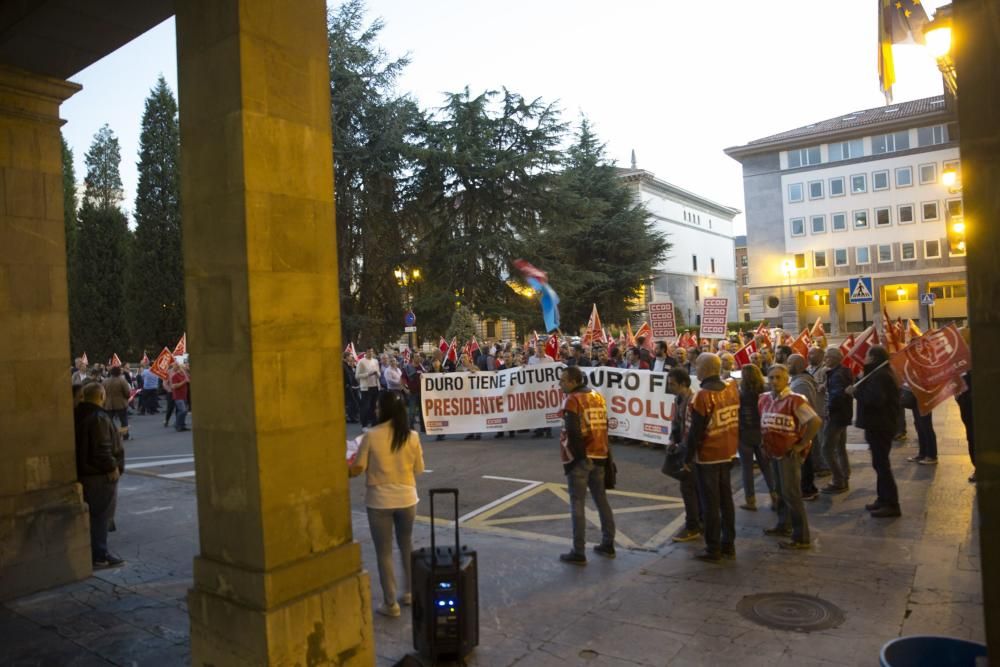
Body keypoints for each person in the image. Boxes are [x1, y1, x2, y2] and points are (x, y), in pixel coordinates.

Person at [349, 391, 425, 617]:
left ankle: (390, 603)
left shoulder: (371, 435)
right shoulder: (412, 436)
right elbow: (419, 469)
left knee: (384, 553)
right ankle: (410, 592)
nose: (375, 410)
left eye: (378, 407)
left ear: (385, 410)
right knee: (406, 545)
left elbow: (358, 468)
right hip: (407, 498)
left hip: (379, 501)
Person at [682, 353, 740, 562]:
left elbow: (695, 432)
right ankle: (728, 545)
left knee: (710, 504)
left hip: (707, 456)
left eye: (697, 366)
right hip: (728, 452)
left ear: (706, 369)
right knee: (726, 501)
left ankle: (713, 548)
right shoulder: (731, 389)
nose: (695, 369)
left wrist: (687, 459)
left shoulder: (702, 396)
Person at [557, 365, 616, 565]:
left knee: (577, 503)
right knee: (601, 501)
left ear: (574, 381)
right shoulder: (597, 396)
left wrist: (580, 458)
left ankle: (578, 551)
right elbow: (605, 426)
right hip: (600, 454)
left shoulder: (572, 400)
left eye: (563, 381)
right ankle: (608, 544)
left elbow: (573, 432)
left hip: (582, 459)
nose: (560, 384)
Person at [759, 363, 822, 550]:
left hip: (789, 454)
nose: (774, 381)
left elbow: (815, 421)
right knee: (780, 491)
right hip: (772, 452)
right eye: (771, 377)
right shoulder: (763, 399)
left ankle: (801, 536)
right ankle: (783, 525)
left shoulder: (795, 400)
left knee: (792, 494)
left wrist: (802, 444)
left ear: (787, 379)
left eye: (779, 377)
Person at [74, 383, 126, 568]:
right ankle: (100, 555)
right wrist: (112, 467)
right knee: (101, 515)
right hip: (99, 475)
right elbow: (102, 448)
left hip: (86, 472)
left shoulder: (80, 413)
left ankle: (96, 552)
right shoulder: (98, 417)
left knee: (96, 515)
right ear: (101, 396)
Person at [849, 345, 902, 518]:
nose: (864, 358)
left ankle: (892, 504)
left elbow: (875, 399)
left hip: (880, 425)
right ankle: (883, 499)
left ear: (873, 358)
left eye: (866, 355)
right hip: (878, 424)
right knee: (879, 464)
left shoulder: (880, 375)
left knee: (882, 464)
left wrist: (855, 392)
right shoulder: (878, 373)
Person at [666, 367, 701, 543]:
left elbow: (691, 431)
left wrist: (686, 454)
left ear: (683, 384)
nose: (669, 387)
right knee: (692, 487)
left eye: (672, 384)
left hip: (691, 452)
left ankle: (693, 526)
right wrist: (672, 440)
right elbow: (676, 423)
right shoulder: (678, 399)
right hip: (684, 449)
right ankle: (698, 522)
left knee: (688, 488)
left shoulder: (692, 402)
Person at [737, 364, 778, 511]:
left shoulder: (740, 394)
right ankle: (775, 497)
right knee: (767, 467)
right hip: (762, 432)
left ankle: (750, 500)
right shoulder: (766, 391)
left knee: (746, 469)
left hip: (745, 433)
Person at [787, 354, 821, 501]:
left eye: (790, 363)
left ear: (800, 366)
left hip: (803, 428)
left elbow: (803, 408)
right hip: (802, 427)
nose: (787, 366)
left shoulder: (800, 384)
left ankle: (807, 489)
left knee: (805, 460)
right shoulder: (799, 381)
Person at [821, 348, 853, 494]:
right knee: (840, 448)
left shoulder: (837, 375)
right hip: (843, 416)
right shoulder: (842, 371)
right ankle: (844, 475)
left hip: (835, 416)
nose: (825, 359)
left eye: (827, 357)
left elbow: (837, 396)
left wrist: (828, 409)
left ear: (834, 358)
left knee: (826, 448)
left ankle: (838, 480)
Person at [904, 385, 938, 465]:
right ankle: (922, 453)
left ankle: (931, 455)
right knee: (919, 425)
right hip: (916, 394)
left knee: (926, 425)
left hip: (924, 395)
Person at [102, 367, 132, 441]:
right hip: (121, 403)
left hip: (109, 404)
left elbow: (102, 392)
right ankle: (125, 436)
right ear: (119, 372)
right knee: (123, 420)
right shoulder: (122, 381)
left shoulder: (105, 381)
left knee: (109, 421)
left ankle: (108, 436)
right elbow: (127, 393)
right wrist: (126, 398)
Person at [355, 349, 381, 428]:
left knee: (374, 406)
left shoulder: (375, 361)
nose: (371, 353)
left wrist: (377, 374)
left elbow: (379, 373)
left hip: (375, 386)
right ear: (366, 353)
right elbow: (357, 376)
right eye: (369, 352)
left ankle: (374, 423)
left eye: (372, 352)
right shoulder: (361, 362)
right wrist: (368, 374)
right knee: (366, 407)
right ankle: (364, 425)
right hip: (366, 388)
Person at [169, 362, 190, 432]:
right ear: (179, 368)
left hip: (184, 396)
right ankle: (177, 424)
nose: (184, 370)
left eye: (184, 368)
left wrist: (186, 376)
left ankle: (182, 425)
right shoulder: (175, 376)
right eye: (183, 368)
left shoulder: (184, 376)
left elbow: (189, 380)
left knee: (184, 411)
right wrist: (184, 381)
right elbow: (174, 386)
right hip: (178, 396)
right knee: (182, 410)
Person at [343, 352, 360, 423]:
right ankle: (351, 417)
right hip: (347, 386)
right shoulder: (342, 365)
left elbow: (352, 375)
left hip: (352, 386)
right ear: (346, 357)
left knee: (354, 402)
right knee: (351, 402)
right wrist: (347, 384)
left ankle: (353, 416)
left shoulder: (348, 365)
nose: (351, 358)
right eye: (350, 356)